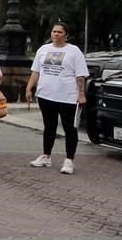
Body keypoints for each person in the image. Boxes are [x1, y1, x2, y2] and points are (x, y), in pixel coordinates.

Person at [26, 22, 89, 174]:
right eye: (54, 31)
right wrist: (29, 88)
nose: (56, 34)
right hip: (45, 95)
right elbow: (36, 71)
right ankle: (46, 156)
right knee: (49, 126)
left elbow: (80, 75)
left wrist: (81, 94)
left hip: (67, 97)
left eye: (60, 32)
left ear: (66, 35)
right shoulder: (43, 49)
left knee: (69, 128)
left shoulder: (74, 52)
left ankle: (69, 160)